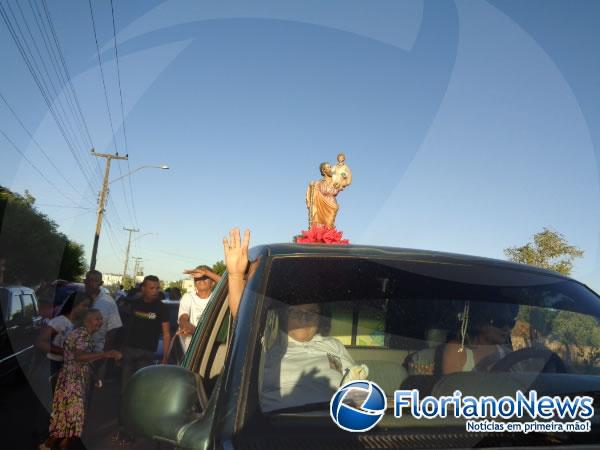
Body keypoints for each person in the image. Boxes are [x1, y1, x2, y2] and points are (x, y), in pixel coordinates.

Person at [223, 228, 366, 412]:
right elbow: (244, 320)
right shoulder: (269, 343)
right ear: (283, 314)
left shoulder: (334, 346)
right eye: (295, 313)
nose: (303, 319)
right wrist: (235, 276)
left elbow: (358, 389)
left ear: (321, 318)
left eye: (311, 313)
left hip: (336, 426)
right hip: (278, 432)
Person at [39, 309, 122, 450]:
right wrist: (106, 354)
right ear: (87, 320)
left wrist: (94, 377)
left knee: (64, 417)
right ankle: (52, 445)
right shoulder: (82, 335)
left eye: (101, 319)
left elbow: (80, 361)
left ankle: (49, 445)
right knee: (74, 419)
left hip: (69, 380)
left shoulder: (81, 333)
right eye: (97, 319)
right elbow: (79, 357)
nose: (100, 322)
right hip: (73, 383)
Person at [32, 292, 91, 441]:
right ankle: (42, 437)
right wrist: (65, 352)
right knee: (47, 403)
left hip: (66, 368)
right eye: (84, 305)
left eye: (88, 306)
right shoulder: (60, 322)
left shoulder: (77, 325)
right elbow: (40, 342)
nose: (86, 309)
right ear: (74, 305)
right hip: (52, 366)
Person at [441, 303, 517, 374]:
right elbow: (451, 386)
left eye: (511, 323)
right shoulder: (457, 349)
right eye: (500, 322)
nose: (507, 328)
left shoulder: (509, 354)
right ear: (480, 324)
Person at [83, 270, 123, 385]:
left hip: (98, 353)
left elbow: (113, 330)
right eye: (88, 281)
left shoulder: (108, 302)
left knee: (93, 386)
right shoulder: (79, 299)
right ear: (85, 282)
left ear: (101, 283)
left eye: (95, 281)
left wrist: (104, 355)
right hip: (78, 352)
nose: (91, 284)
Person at [178, 265, 222, 350]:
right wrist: (186, 326)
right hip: (191, 351)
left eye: (205, 277)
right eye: (197, 278)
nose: (201, 280)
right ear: (194, 283)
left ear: (213, 283)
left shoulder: (218, 298)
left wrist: (206, 272)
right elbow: (183, 318)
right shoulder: (188, 297)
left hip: (212, 349)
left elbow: (229, 284)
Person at [305, 163, 342, 229]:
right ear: (324, 170)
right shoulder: (319, 183)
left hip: (331, 205)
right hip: (320, 207)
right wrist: (312, 186)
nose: (331, 169)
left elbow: (335, 191)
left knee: (329, 226)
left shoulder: (335, 182)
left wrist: (339, 187)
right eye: (329, 167)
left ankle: (328, 237)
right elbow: (315, 193)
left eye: (330, 167)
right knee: (319, 226)